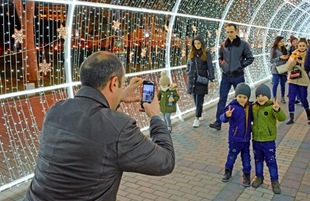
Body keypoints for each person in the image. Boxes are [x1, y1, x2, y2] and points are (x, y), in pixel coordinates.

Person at [24, 51, 175, 201]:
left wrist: (118, 98)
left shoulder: (56, 110)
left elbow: (94, 123)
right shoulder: (119, 128)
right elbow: (165, 161)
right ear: (114, 83)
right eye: (121, 85)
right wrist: (155, 117)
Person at [209, 23, 254, 130]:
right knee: (222, 99)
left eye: (231, 32)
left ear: (236, 31)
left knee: (242, 99)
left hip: (238, 76)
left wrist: (240, 66)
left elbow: (250, 58)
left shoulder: (243, 44)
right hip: (226, 76)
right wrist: (222, 65)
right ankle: (218, 122)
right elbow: (220, 57)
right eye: (228, 32)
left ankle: (245, 120)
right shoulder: (224, 44)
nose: (229, 34)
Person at [251, 84, 286, 194]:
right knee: (258, 160)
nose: (260, 98)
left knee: (271, 162)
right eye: (258, 96)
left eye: (263, 95)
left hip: (268, 141)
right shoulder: (254, 108)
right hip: (256, 140)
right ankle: (259, 177)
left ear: (268, 96)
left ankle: (275, 181)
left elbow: (282, 118)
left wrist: (278, 109)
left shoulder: (271, 108)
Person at [220, 83, 252, 187]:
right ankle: (227, 172)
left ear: (247, 98)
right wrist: (226, 115)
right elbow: (222, 119)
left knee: (246, 159)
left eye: (244, 97)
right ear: (236, 96)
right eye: (239, 97)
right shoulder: (232, 107)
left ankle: (246, 176)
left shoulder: (249, 108)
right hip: (235, 139)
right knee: (231, 157)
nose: (242, 99)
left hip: (246, 140)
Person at [186, 34, 215, 128]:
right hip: (192, 80)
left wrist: (211, 79)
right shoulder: (191, 54)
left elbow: (210, 66)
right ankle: (200, 111)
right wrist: (188, 71)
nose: (197, 45)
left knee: (199, 99)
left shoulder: (206, 54)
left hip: (201, 80)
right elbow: (188, 65)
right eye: (195, 43)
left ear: (202, 44)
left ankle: (197, 118)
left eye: (198, 43)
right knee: (195, 98)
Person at [285, 38, 310, 124]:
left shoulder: (308, 55)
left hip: (303, 80)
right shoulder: (293, 54)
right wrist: (293, 60)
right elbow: (288, 67)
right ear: (297, 46)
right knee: (291, 98)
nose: (302, 47)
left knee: (303, 98)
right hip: (293, 79)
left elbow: (307, 67)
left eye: (303, 46)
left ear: (306, 46)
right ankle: (291, 118)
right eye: (300, 45)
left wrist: (301, 61)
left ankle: (308, 114)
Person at [269, 36, 289, 103]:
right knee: (275, 84)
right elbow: (271, 60)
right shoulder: (273, 49)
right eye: (280, 41)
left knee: (283, 84)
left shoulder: (284, 49)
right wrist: (279, 57)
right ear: (277, 42)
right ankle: (274, 98)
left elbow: (287, 58)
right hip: (276, 69)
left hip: (283, 69)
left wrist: (286, 57)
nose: (282, 43)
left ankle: (283, 97)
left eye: (283, 41)